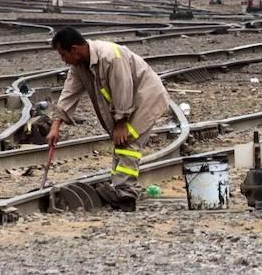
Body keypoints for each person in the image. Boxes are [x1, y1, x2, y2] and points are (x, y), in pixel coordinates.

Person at [46, 27, 171, 211]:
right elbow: (69, 93)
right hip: (128, 104)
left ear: (75, 49)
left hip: (145, 98)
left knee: (129, 142)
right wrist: (56, 125)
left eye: (63, 54)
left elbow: (124, 87)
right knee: (121, 144)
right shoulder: (78, 66)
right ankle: (121, 189)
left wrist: (121, 122)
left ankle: (125, 193)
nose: (63, 60)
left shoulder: (110, 56)